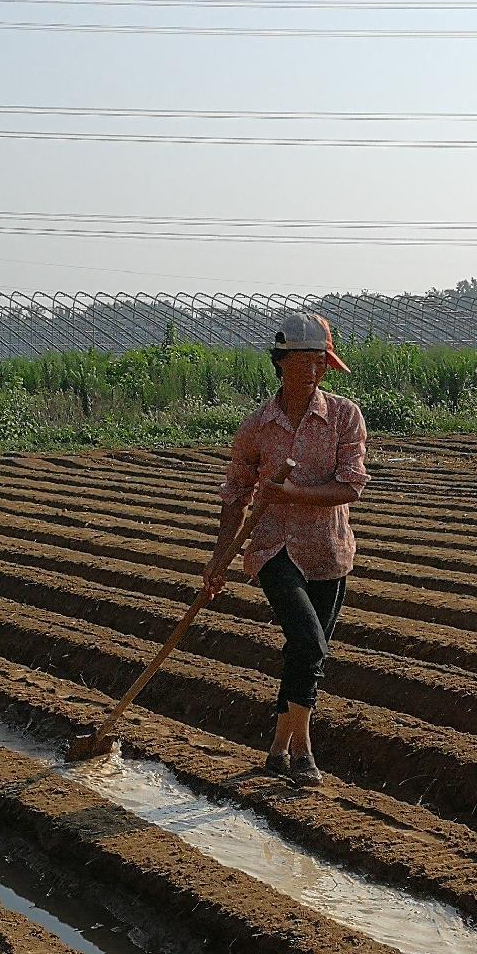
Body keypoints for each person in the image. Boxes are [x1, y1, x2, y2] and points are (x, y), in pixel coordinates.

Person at [201, 313, 369, 786]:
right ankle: (304, 751)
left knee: (302, 649)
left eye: (321, 361)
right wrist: (218, 560)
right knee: (310, 642)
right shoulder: (257, 427)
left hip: (329, 551)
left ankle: (276, 749)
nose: (314, 370)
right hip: (274, 548)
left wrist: (293, 493)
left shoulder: (343, 416)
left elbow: (351, 486)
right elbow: (235, 494)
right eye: (305, 360)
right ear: (282, 362)